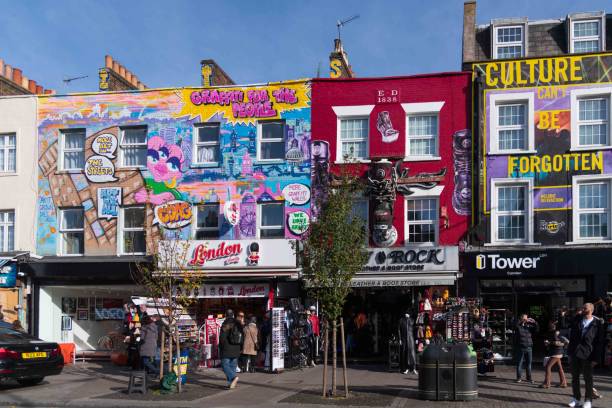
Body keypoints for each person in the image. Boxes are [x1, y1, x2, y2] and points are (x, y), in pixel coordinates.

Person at [567, 303, 604, 408]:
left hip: (588, 354)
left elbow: (599, 342)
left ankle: (588, 400)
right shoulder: (577, 321)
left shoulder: (597, 324)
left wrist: (596, 358)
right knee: (575, 377)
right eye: (582, 308)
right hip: (575, 353)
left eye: (585, 308)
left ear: (591, 310)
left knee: (588, 378)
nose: (583, 309)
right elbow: (572, 338)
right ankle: (576, 398)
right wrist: (569, 353)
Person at [540, 322, 568, 388]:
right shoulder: (553, 332)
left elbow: (561, 342)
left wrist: (550, 343)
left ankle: (547, 383)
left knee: (548, 366)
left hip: (556, 352)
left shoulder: (556, 333)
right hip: (556, 352)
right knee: (559, 367)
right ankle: (563, 382)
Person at [219, 309, 242, 389]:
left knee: (225, 365)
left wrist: (221, 347)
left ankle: (233, 378)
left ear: (226, 315)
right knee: (232, 366)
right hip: (236, 348)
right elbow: (242, 336)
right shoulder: (238, 323)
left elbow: (222, 338)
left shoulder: (225, 323)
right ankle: (231, 383)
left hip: (226, 348)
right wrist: (241, 347)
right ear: (233, 315)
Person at [515, 313, 539, 383]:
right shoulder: (518, 326)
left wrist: (535, 322)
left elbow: (537, 330)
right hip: (521, 347)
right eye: (524, 318)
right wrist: (522, 321)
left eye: (526, 318)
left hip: (529, 347)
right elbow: (515, 326)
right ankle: (519, 378)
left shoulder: (528, 326)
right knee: (519, 363)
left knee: (529, 364)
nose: (526, 319)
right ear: (521, 318)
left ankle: (529, 378)